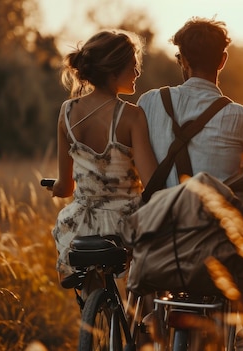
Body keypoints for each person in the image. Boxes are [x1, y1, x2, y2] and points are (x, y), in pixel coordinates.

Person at [136, 17, 243, 325]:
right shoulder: (241, 117)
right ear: (223, 60)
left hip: (158, 244)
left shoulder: (149, 102)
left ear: (181, 59)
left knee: (141, 311)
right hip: (216, 250)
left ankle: (141, 333)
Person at [50, 29, 157, 283]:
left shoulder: (67, 112)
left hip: (82, 224)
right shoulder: (131, 115)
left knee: (91, 285)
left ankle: (92, 310)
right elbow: (152, 182)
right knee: (148, 283)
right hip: (126, 224)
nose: (138, 73)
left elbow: (66, 187)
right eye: (133, 66)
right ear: (112, 70)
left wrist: (55, 187)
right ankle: (145, 314)